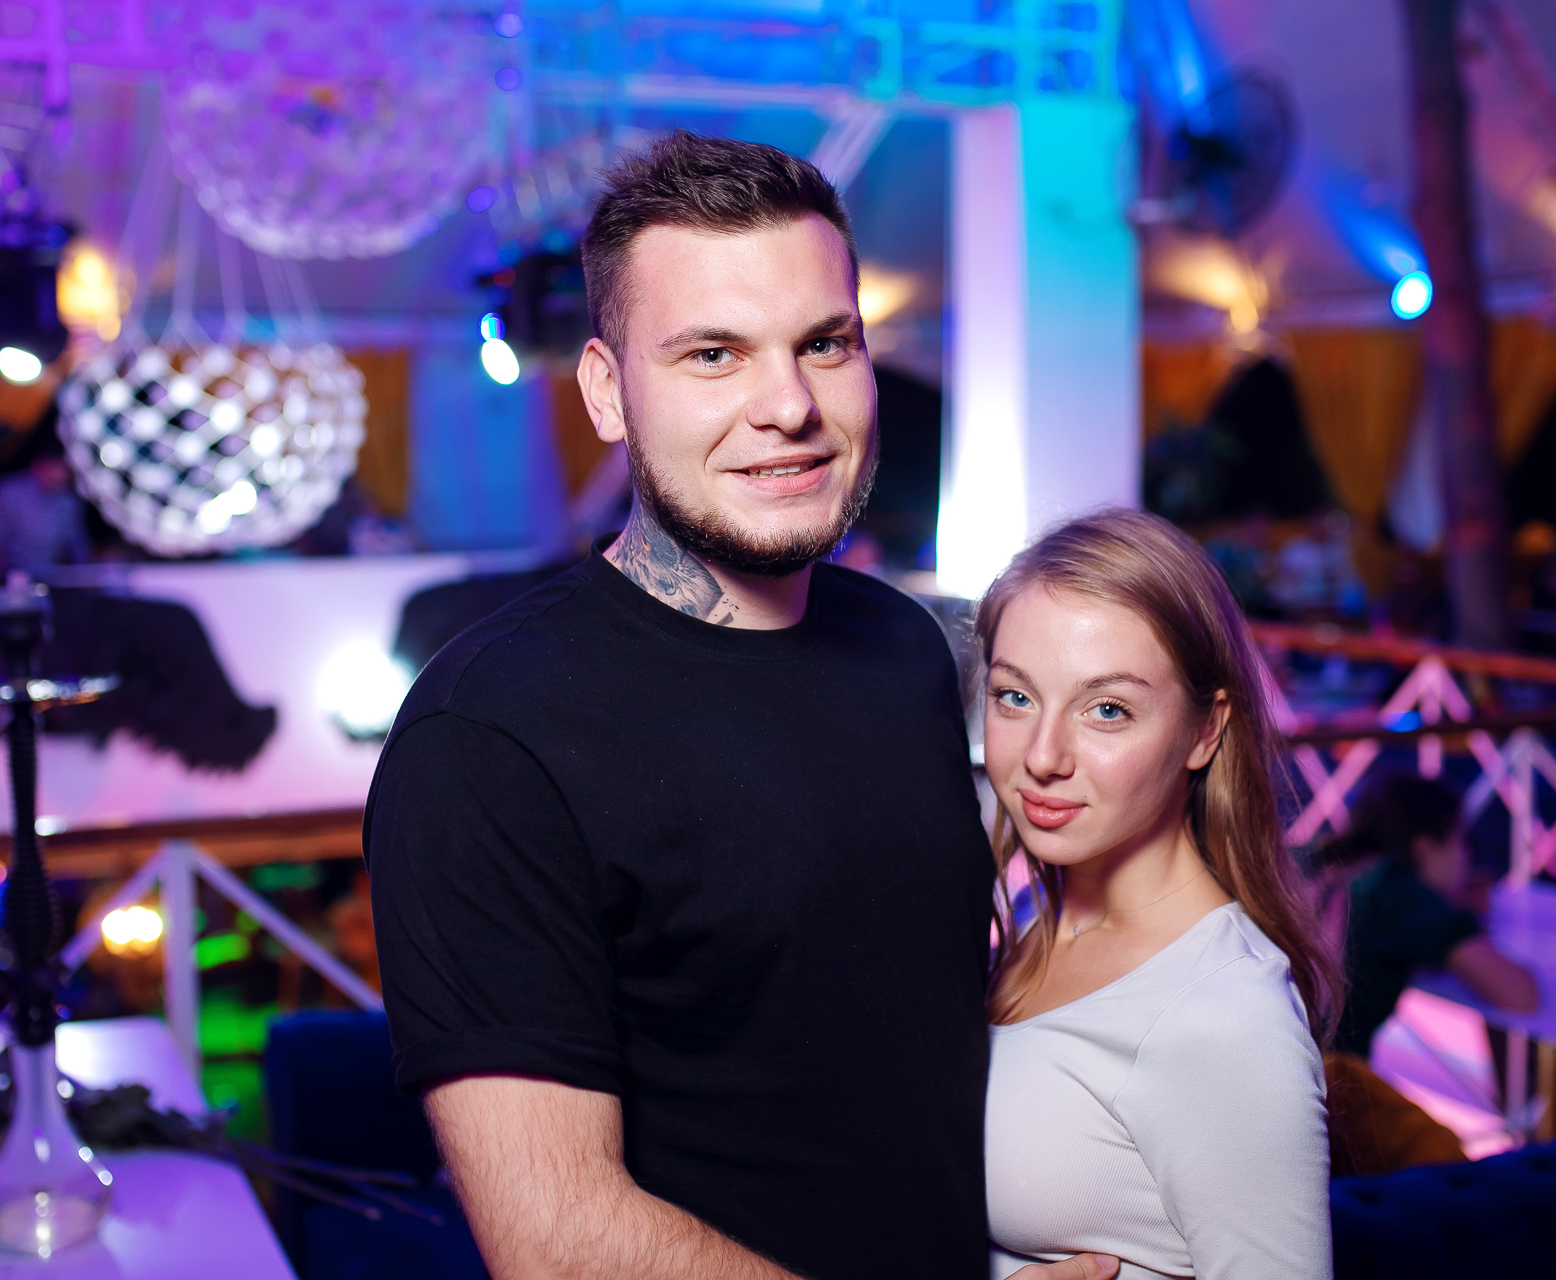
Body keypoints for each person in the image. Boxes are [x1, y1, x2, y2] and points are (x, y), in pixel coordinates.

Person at [365, 133, 1103, 1280]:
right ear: (608, 392)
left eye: (825, 343)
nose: (789, 405)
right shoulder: (490, 735)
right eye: (714, 353)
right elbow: (555, 1240)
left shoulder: (905, 646)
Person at [977, 509, 1340, 1280]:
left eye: (1107, 710)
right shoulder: (1048, 919)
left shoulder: (1223, 1017)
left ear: (1205, 731)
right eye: (1015, 697)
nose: (1043, 756)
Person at [1325, 773, 1539, 1057]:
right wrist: (1452, 916)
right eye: (1459, 841)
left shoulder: (1332, 868)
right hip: (1317, 1075)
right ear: (1424, 848)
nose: (1466, 857)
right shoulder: (1394, 890)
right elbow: (1520, 995)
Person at [0, 442, 91, 575]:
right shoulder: (7, 492)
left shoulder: (68, 501)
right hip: (11, 578)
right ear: (38, 465)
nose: (63, 474)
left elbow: (77, 550)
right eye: (57, 466)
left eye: (67, 469)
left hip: (54, 578)